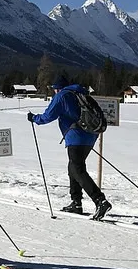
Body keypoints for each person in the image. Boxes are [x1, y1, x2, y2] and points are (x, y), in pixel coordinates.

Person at [28, 75, 112, 220]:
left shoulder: (62, 96)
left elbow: (48, 116)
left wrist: (34, 118)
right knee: (73, 167)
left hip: (76, 136)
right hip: (91, 136)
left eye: (54, 89)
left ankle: (100, 201)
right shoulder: (81, 93)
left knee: (77, 169)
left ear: (57, 88)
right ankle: (76, 202)